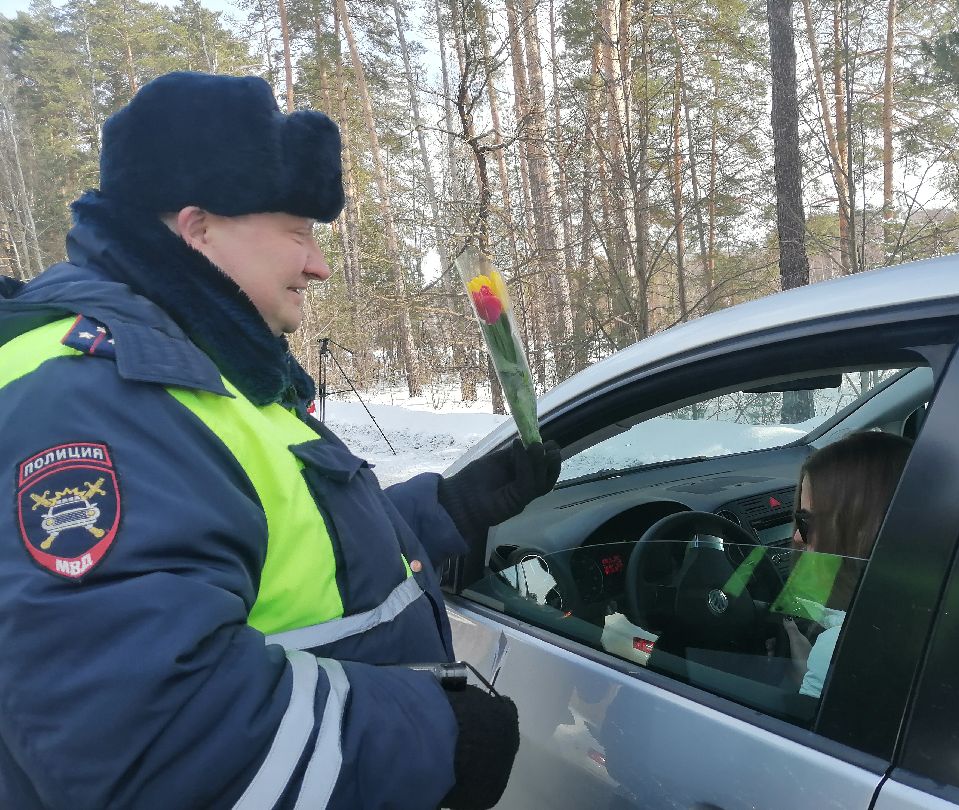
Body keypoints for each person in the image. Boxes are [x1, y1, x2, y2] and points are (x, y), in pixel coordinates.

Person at [0, 72, 560, 810]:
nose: (318, 263)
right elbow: (155, 742)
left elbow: (279, 542)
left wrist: (444, 512)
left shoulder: (202, 365)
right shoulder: (97, 397)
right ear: (198, 228)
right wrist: (436, 736)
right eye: (297, 233)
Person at [781, 431, 913, 697]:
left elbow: (796, 732)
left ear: (860, 528)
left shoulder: (841, 649)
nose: (797, 536)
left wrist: (804, 674)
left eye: (808, 522)